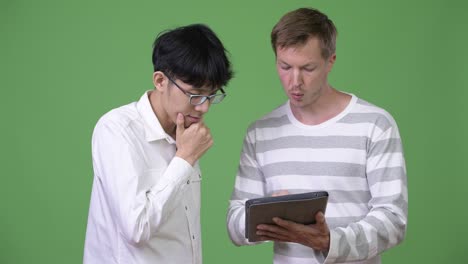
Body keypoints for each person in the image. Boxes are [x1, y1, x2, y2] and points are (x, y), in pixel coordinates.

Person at [227, 7, 407, 264]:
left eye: (308, 68)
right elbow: (235, 225)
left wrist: (329, 241)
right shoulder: (261, 132)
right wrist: (263, 211)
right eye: (285, 66)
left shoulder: (375, 124)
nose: (294, 81)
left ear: (330, 61)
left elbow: (393, 220)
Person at [84, 24, 233, 264]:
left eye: (212, 95)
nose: (204, 107)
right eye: (195, 95)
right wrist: (184, 160)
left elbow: (187, 236)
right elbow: (137, 229)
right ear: (161, 80)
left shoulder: (184, 133)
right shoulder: (117, 130)